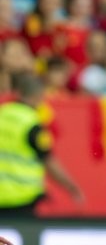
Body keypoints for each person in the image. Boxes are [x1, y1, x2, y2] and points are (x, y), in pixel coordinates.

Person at [0, 74, 83, 216]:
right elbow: (49, 161)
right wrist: (71, 187)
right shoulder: (32, 124)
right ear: (38, 96)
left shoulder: (3, 112)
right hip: (21, 197)